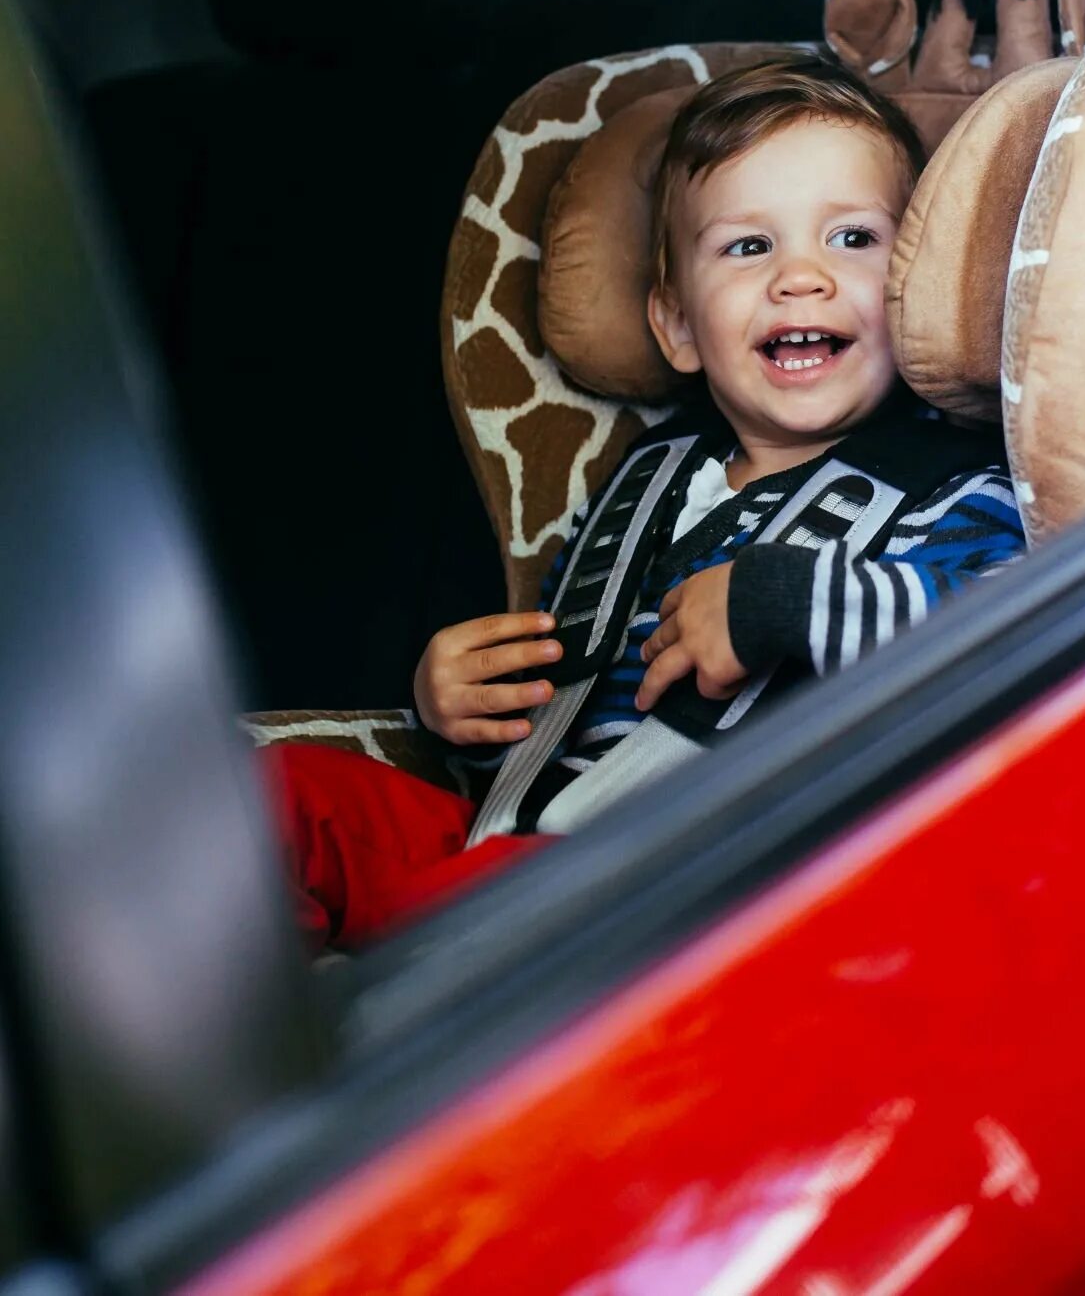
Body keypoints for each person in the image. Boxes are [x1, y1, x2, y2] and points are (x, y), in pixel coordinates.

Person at [265, 54, 1024, 949]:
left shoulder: (956, 486)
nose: (801, 277)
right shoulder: (647, 477)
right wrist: (459, 710)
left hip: (707, 893)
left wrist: (784, 598)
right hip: (520, 845)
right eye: (749, 246)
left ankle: (378, 1030)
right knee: (276, 798)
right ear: (675, 326)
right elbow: (566, 709)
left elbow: (1001, 634)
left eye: (853, 238)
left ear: (913, 289)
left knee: (492, 902)